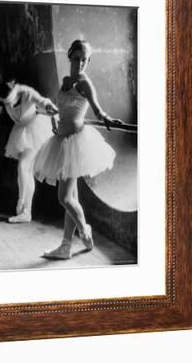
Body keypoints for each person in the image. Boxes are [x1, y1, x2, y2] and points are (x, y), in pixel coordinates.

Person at [34, 39, 123, 259]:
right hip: (61, 141)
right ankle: (65, 246)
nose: (81, 63)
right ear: (70, 56)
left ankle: (84, 230)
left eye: (85, 60)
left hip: (76, 143)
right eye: (77, 58)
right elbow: (62, 107)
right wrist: (54, 116)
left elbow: (98, 111)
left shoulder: (84, 83)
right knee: (71, 197)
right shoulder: (66, 80)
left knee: (64, 198)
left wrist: (108, 118)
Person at [0, 78, 58, 223]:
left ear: (16, 92)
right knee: (27, 172)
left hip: (35, 130)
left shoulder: (27, 93)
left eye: (10, 101)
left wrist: (51, 108)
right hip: (20, 132)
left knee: (23, 166)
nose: (9, 105)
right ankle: (26, 212)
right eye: (6, 103)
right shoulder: (2, 94)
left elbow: (43, 102)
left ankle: (21, 202)